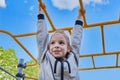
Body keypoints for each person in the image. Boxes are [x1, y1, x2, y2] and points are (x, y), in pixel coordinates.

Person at [36, 4, 84, 80]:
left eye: (61, 43)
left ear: (68, 48)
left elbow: (76, 40)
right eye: (52, 43)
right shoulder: (45, 57)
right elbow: (41, 37)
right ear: (48, 47)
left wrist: (79, 17)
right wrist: (41, 15)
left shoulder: (73, 57)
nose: (56, 46)